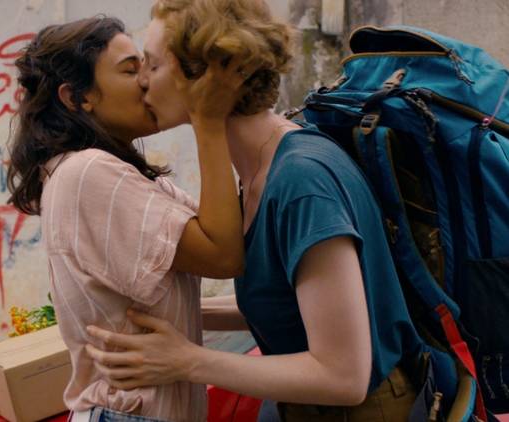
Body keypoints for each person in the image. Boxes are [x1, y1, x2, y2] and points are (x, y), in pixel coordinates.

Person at [84, 1, 426, 420]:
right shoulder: (261, 167)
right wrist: (166, 313)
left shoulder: (301, 182)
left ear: (206, 75)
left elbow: (344, 375)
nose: (141, 84)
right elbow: (285, 302)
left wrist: (187, 360)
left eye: (152, 66)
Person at [6, 16, 253, 422]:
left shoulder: (124, 176)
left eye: (147, 66)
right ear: (77, 98)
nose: (146, 82)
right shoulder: (89, 173)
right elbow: (224, 255)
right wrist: (207, 120)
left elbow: (227, 231)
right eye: (129, 69)